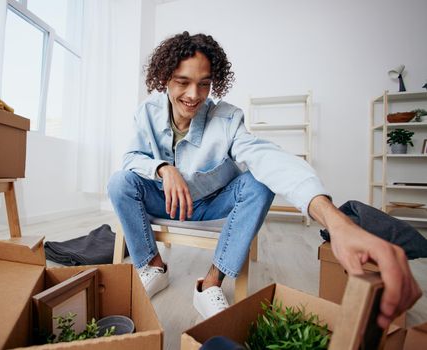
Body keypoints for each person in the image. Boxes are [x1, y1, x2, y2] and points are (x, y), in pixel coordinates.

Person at [108, 31, 421, 324]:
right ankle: (153, 265)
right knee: (119, 181)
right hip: (166, 200)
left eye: (204, 84)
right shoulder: (146, 111)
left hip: (211, 204)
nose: (194, 95)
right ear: (164, 79)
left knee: (260, 181)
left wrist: (338, 223)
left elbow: (268, 159)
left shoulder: (228, 118)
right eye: (182, 82)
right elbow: (131, 158)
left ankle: (211, 283)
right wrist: (163, 168)